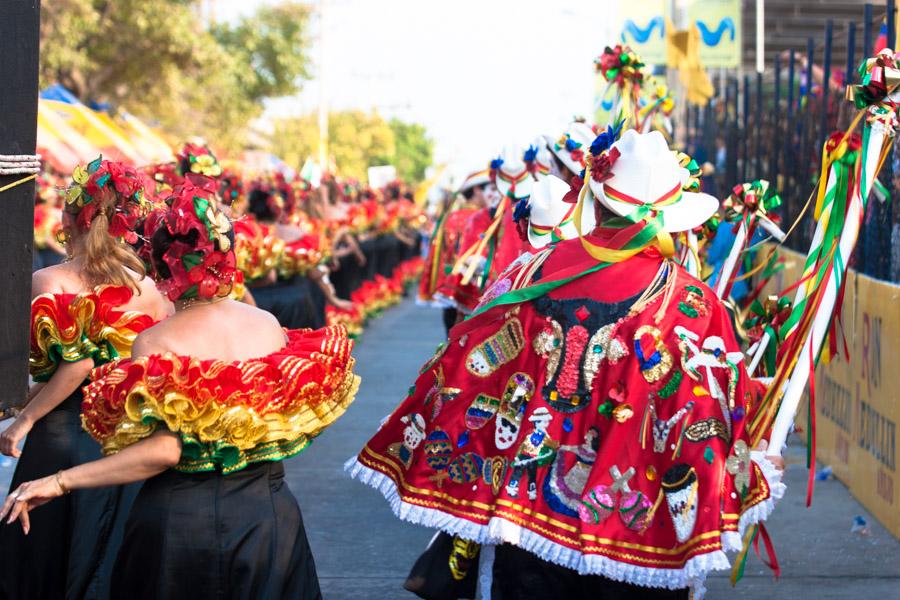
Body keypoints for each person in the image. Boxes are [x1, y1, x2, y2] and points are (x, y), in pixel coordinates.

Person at [348, 129, 785, 599]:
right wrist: (757, 463)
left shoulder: (529, 273)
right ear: (671, 221)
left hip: (526, 532)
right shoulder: (691, 303)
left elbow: (463, 366)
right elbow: (707, 418)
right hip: (631, 540)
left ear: (594, 204)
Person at [2, 179, 360, 600]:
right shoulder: (265, 324)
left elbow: (165, 451)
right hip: (268, 518)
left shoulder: (155, 341)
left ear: (158, 262)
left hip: (177, 526)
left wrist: (59, 482)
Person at [0, 157, 171, 600]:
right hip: (120, 437)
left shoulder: (47, 280)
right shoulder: (147, 288)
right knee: (106, 555)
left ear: (70, 217)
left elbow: (73, 366)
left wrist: (25, 418)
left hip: (59, 432)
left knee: (46, 557)